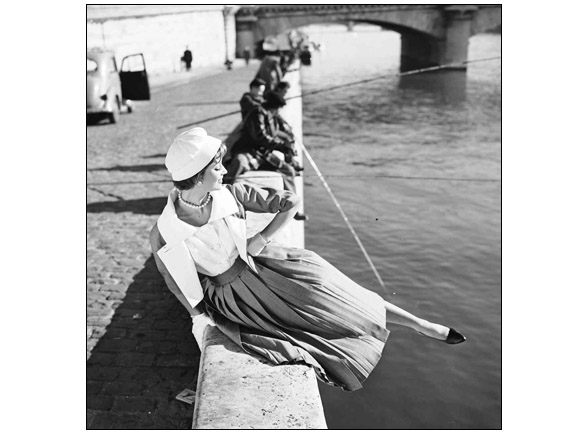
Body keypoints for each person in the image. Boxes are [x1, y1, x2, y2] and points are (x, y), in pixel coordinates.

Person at [149, 127, 466, 392]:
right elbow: (177, 282)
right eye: (215, 167)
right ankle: (409, 328)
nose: (223, 170)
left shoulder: (230, 193)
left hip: (267, 262)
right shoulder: (165, 231)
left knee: (334, 289)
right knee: (312, 323)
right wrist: (200, 317)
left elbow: (289, 202)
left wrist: (260, 239)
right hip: (236, 296)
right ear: (195, 176)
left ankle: (422, 324)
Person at [225, 91, 299, 197]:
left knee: (288, 171)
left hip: (263, 154)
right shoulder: (258, 113)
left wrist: (287, 144)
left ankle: (292, 206)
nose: (278, 111)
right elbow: (261, 137)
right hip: (248, 151)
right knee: (239, 162)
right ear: (273, 106)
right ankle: (223, 191)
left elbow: (277, 131)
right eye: (278, 108)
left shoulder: (271, 115)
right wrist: (282, 146)